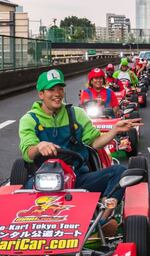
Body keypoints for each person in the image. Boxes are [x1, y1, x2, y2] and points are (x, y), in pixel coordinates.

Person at [19, 69, 142, 233]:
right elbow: (28, 152)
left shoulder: (76, 114)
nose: (57, 94)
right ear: (41, 94)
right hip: (41, 181)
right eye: (51, 90)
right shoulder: (29, 119)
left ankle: (102, 220)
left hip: (78, 178)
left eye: (60, 89)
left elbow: (95, 142)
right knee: (17, 199)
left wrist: (113, 131)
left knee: (119, 172)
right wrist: (39, 147)